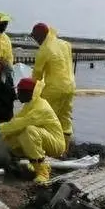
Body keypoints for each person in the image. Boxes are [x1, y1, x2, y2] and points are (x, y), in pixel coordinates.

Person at [0, 77, 65, 185]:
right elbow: (15, 121)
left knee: (28, 131)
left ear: (28, 92)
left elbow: (22, 123)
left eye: (19, 92)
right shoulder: (30, 105)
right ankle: (25, 162)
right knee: (11, 135)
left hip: (56, 143)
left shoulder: (40, 107)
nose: (16, 95)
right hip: (45, 138)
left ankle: (43, 172)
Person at [30, 23, 76, 155]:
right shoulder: (65, 44)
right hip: (70, 86)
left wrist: (30, 93)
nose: (36, 41)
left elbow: (37, 76)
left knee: (47, 118)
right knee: (65, 117)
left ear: (41, 36)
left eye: (36, 38)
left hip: (54, 89)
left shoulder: (44, 50)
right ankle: (65, 149)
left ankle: (50, 151)